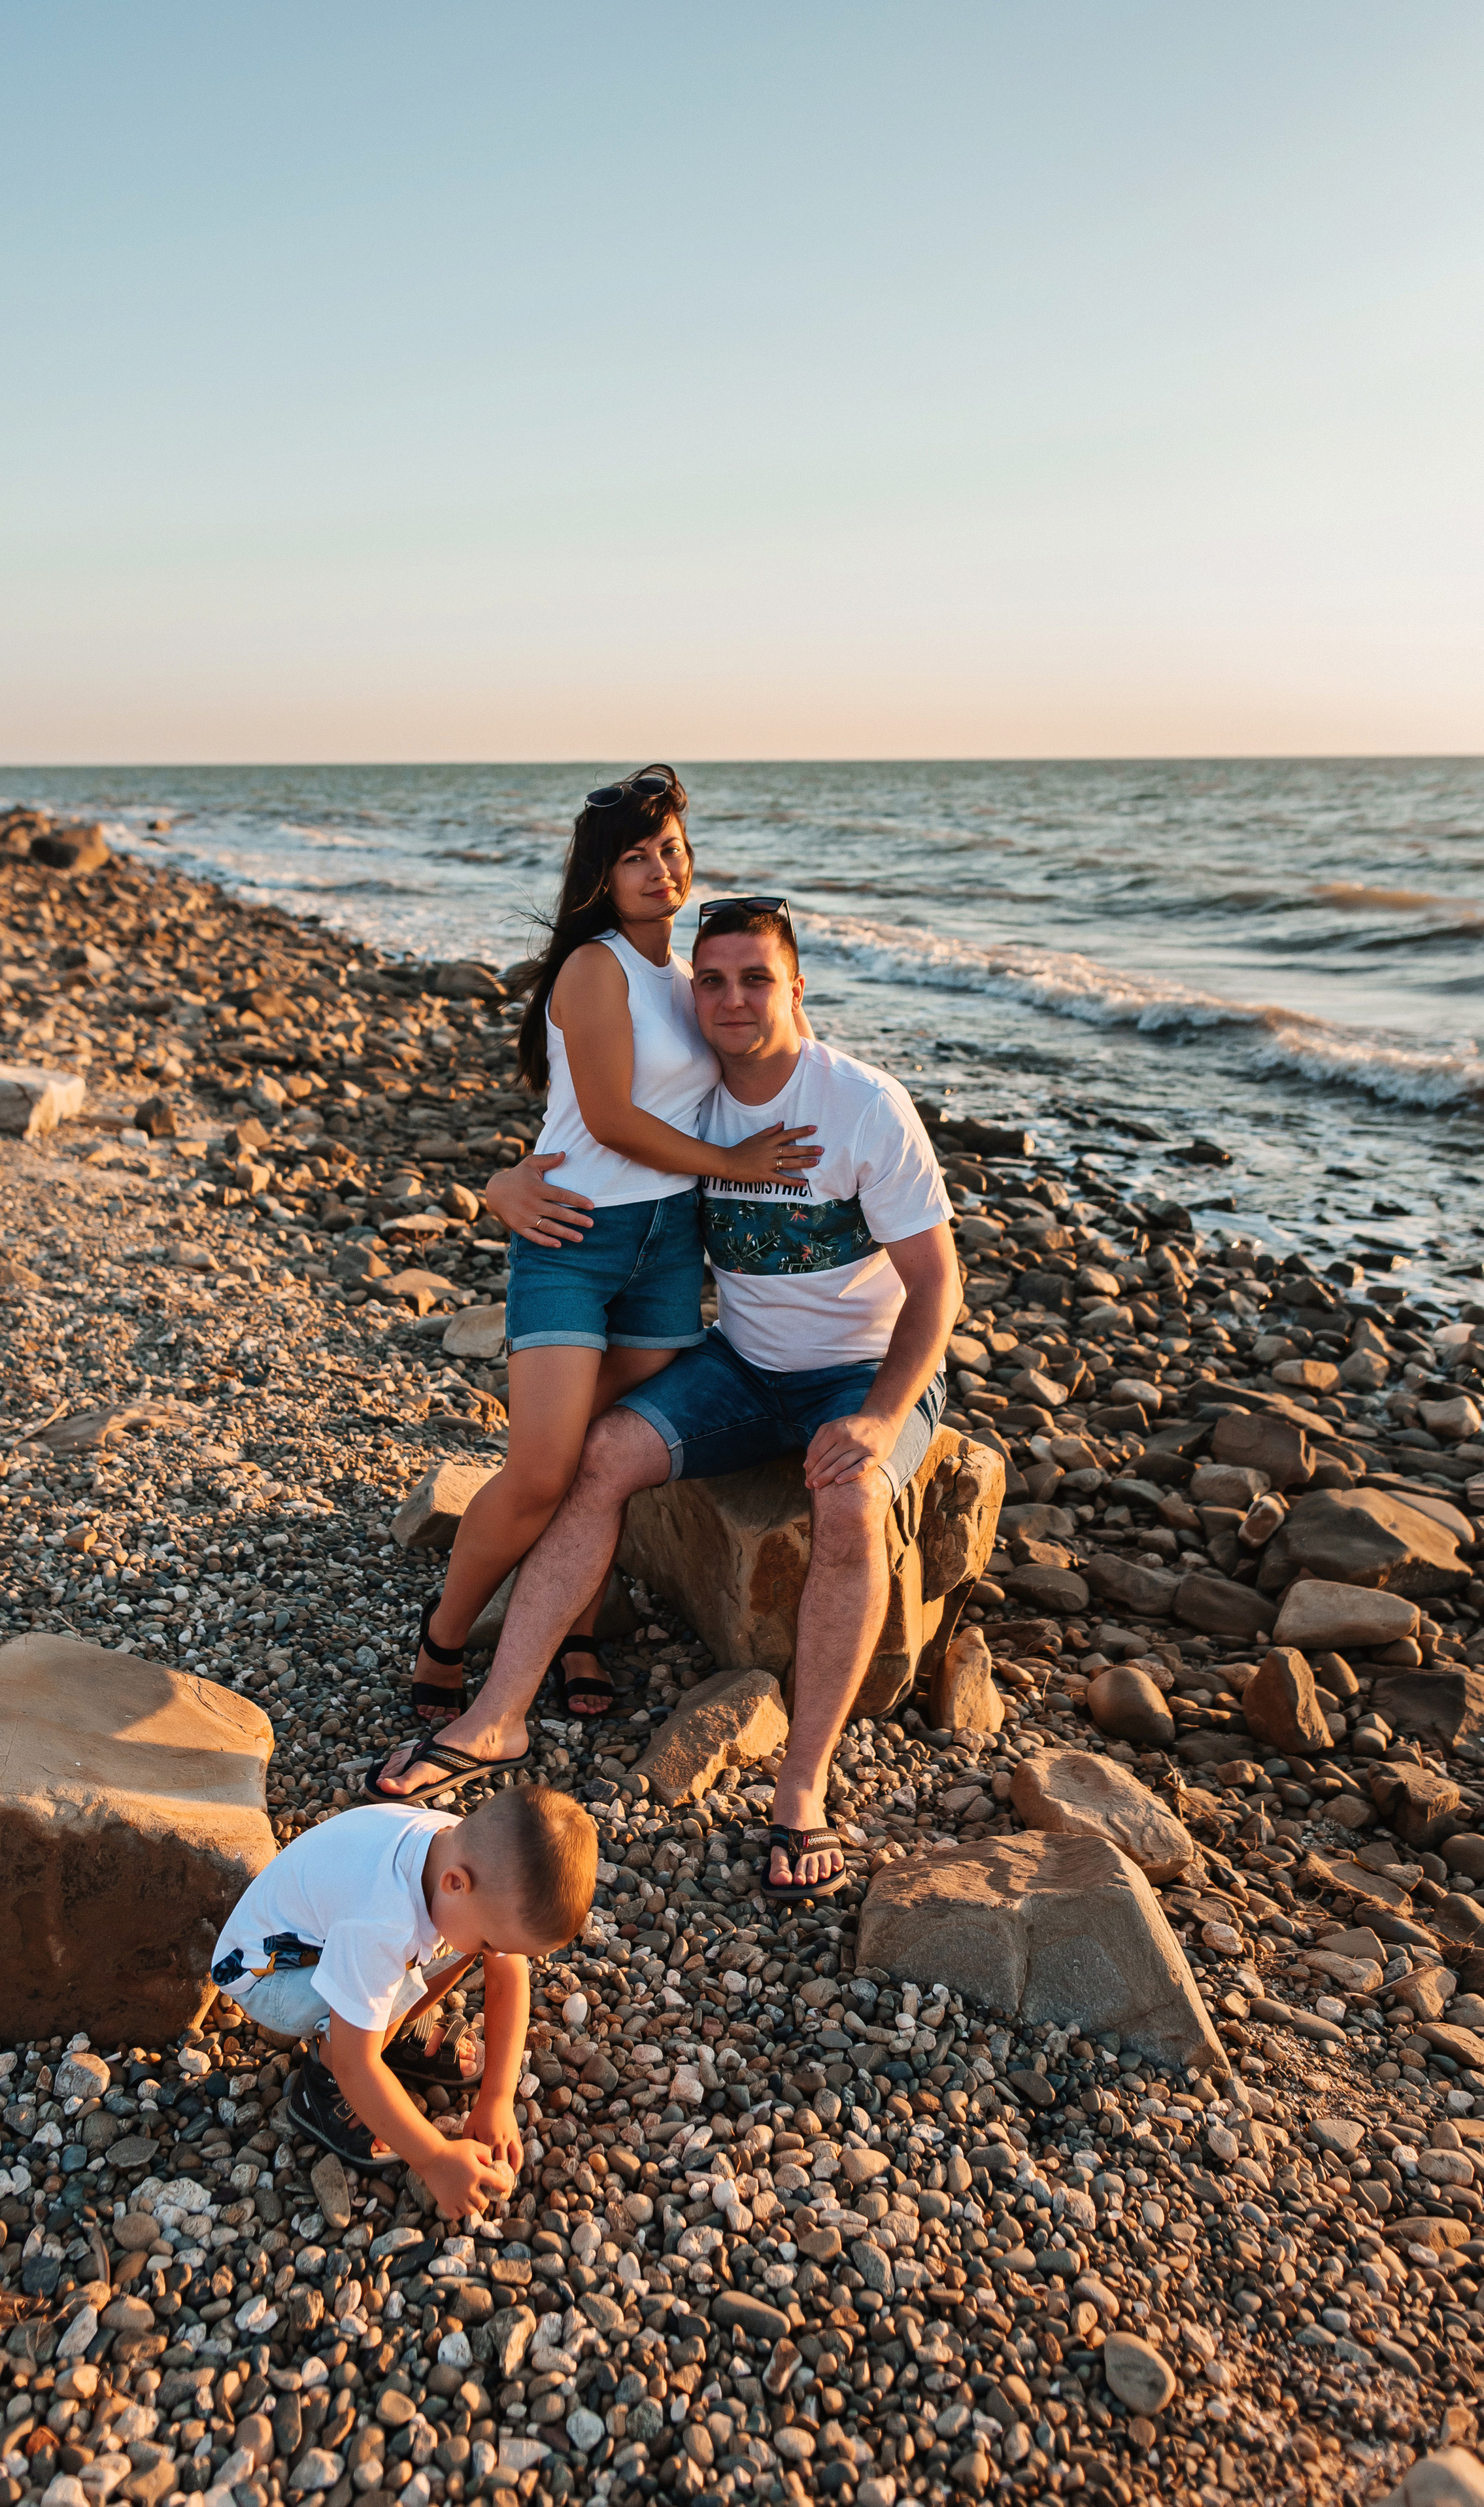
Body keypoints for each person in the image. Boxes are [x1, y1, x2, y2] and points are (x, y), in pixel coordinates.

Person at [375, 900, 959, 1907]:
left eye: (757, 979)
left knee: (853, 1501)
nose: (733, 1000)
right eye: (712, 981)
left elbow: (938, 1284)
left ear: (797, 988)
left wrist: (874, 1417)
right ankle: (496, 1717)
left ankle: (803, 1784)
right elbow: (580, 1141)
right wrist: (503, 1185)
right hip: (741, 1367)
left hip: (860, 1372)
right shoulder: (688, 1103)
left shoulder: (863, 1104)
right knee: (602, 1453)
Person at [386, 767, 820, 1781]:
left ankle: (577, 1628)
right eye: (635, 856)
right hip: (573, 1237)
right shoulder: (594, 967)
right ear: (603, 874)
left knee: (599, 1455)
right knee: (542, 1467)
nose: (659, 868)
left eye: (670, 848)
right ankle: (445, 1633)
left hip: (667, 1247)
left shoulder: (688, 978)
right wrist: (732, 1164)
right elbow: (614, 1120)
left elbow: (763, 1046)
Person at [208, 1785, 596, 2217]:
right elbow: (357, 2064)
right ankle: (322, 2086)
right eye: (493, 1943)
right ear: (455, 1883)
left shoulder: (463, 1857)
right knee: (394, 1987)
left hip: (320, 1942)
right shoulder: (382, 1923)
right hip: (266, 1977)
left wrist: (498, 2097)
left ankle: (386, 2033)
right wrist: (435, 2159)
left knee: (459, 1942)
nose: (493, 1952)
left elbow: (508, 1976)